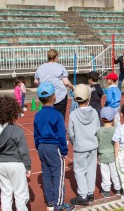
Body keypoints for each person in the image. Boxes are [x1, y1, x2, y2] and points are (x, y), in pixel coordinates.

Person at [34, 82, 75, 211]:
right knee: (58, 176)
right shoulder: (57, 115)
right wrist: (64, 150)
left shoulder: (38, 115)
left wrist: (38, 146)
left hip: (42, 147)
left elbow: (36, 134)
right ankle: (59, 204)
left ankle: (50, 201)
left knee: (46, 174)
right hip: (54, 148)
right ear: (54, 97)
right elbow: (61, 135)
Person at [68, 84, 100, 206]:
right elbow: (97, 128)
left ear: (75, 99)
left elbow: (71, 133)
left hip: (80, 147)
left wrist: (74, 141)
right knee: (92, 169)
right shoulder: (94, 113)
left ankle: (83, 195)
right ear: (89, 97)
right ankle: (90, 193)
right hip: (93, 146)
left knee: (80, 171)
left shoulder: (73, 115)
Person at [0, 95, 31, 211]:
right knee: (21, 195)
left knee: (5, 193)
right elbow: (24, 150)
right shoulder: (17, 130)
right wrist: (27, 166)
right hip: (15, 164)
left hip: (1, 164)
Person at [34, 49, 74, 120]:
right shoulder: (60, 67)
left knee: (47, 117)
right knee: (60, 117)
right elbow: (66, 82)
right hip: (59, 96)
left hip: (46, 96)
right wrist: (73, 87)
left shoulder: (41, 67)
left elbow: (36, 81)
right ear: (56, 57)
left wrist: (42, 85)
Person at [97, 107, 121, 199]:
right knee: (115, 173)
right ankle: (118, 188)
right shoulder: (116, 129)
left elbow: (97, 143)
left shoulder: (99, 130)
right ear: (113, 118)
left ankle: (106, 191)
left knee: (105, 174)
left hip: (102, 156)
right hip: (113, 155)